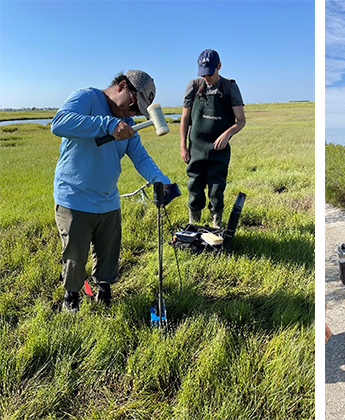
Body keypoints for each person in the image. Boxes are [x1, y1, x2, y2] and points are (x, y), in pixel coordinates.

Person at [51, 70, 173, 311]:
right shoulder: (87, 98)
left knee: (108, 253)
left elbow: (140, 157)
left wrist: (161, 180)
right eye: (132, 105)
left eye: (138, 111)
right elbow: (59, 123)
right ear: (121, 86)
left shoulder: (127, 124)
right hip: (74, 198)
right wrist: (107, 124)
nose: (132, 114)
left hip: (108, 200)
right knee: (75, 255)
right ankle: (71, 298)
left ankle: (104, 292)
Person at [180, 49, 246, 228]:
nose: (206, 78)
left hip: (219, 149)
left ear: (219, 66)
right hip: (196, 147)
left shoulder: (229, 87)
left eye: (210, 73)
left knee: (217, 187)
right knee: (194, 185)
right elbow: (185, 118)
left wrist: (227, 134)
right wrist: (183, 146)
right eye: (203, 74)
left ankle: (216, 225)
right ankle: (194, 224)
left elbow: (241, 121)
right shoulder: (193, 86)